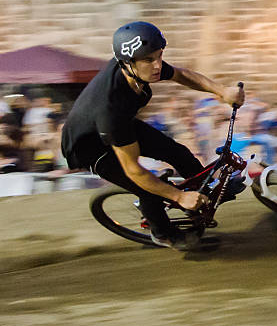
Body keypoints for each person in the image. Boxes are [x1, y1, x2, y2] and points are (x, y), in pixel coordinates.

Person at [61, 21, 245, 250]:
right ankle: (164, 234)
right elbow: (134, 170)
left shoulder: (140, 66)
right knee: (149, 187)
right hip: (90, 147)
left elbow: (181, 75)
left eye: (159, 56)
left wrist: (222, 91)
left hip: (118, 125)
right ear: (128, 64)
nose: (158, 65)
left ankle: (206, 191)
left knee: (178, 152)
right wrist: (179, 197)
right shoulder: (111, 107)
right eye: (149, 60)